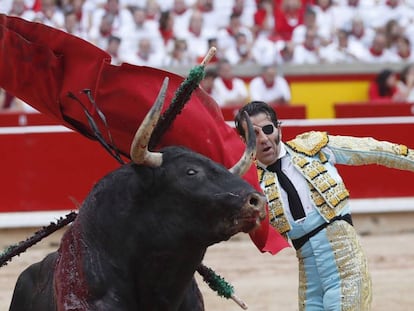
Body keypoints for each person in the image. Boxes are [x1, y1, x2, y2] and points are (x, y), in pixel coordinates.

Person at [234, 100, 414, 310]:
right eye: (254, 135)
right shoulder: (250, 184)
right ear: (244, 141)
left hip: (346, 262)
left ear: (278, 128)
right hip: (309, 274)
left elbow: (374, 150)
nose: (263, 139)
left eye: (267, 129)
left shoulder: (312, 148)